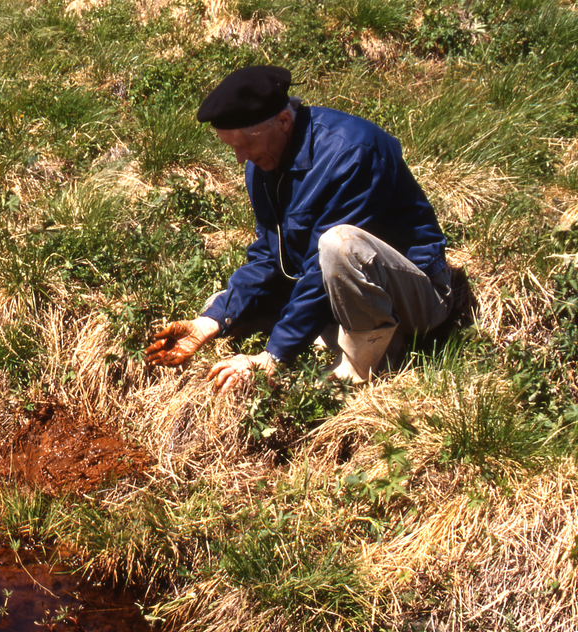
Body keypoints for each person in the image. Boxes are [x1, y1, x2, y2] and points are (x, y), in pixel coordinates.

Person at [144, 65, 454, 393]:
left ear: (283, 121)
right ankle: (327, 336)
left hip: (416, 296)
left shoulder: (352, 153)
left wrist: (273, 357)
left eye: (245, 144)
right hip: (340, 288)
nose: (239, 158)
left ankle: (370, 362)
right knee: (224, 311)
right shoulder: (263, 162)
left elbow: (323, 267)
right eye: (230, 146)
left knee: (339, 244)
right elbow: (269, 255)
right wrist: (212, 320)